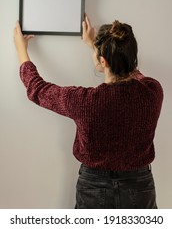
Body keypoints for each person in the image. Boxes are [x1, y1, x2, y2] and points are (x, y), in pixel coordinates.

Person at [14, 16, 163, 209]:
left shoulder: (84, 101)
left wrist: (21, 50)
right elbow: (132, 71)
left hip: (94, 187)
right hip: (140, 186)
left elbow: (38, 89)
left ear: (102, 61)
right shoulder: (152, 91)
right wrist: (98, 48)